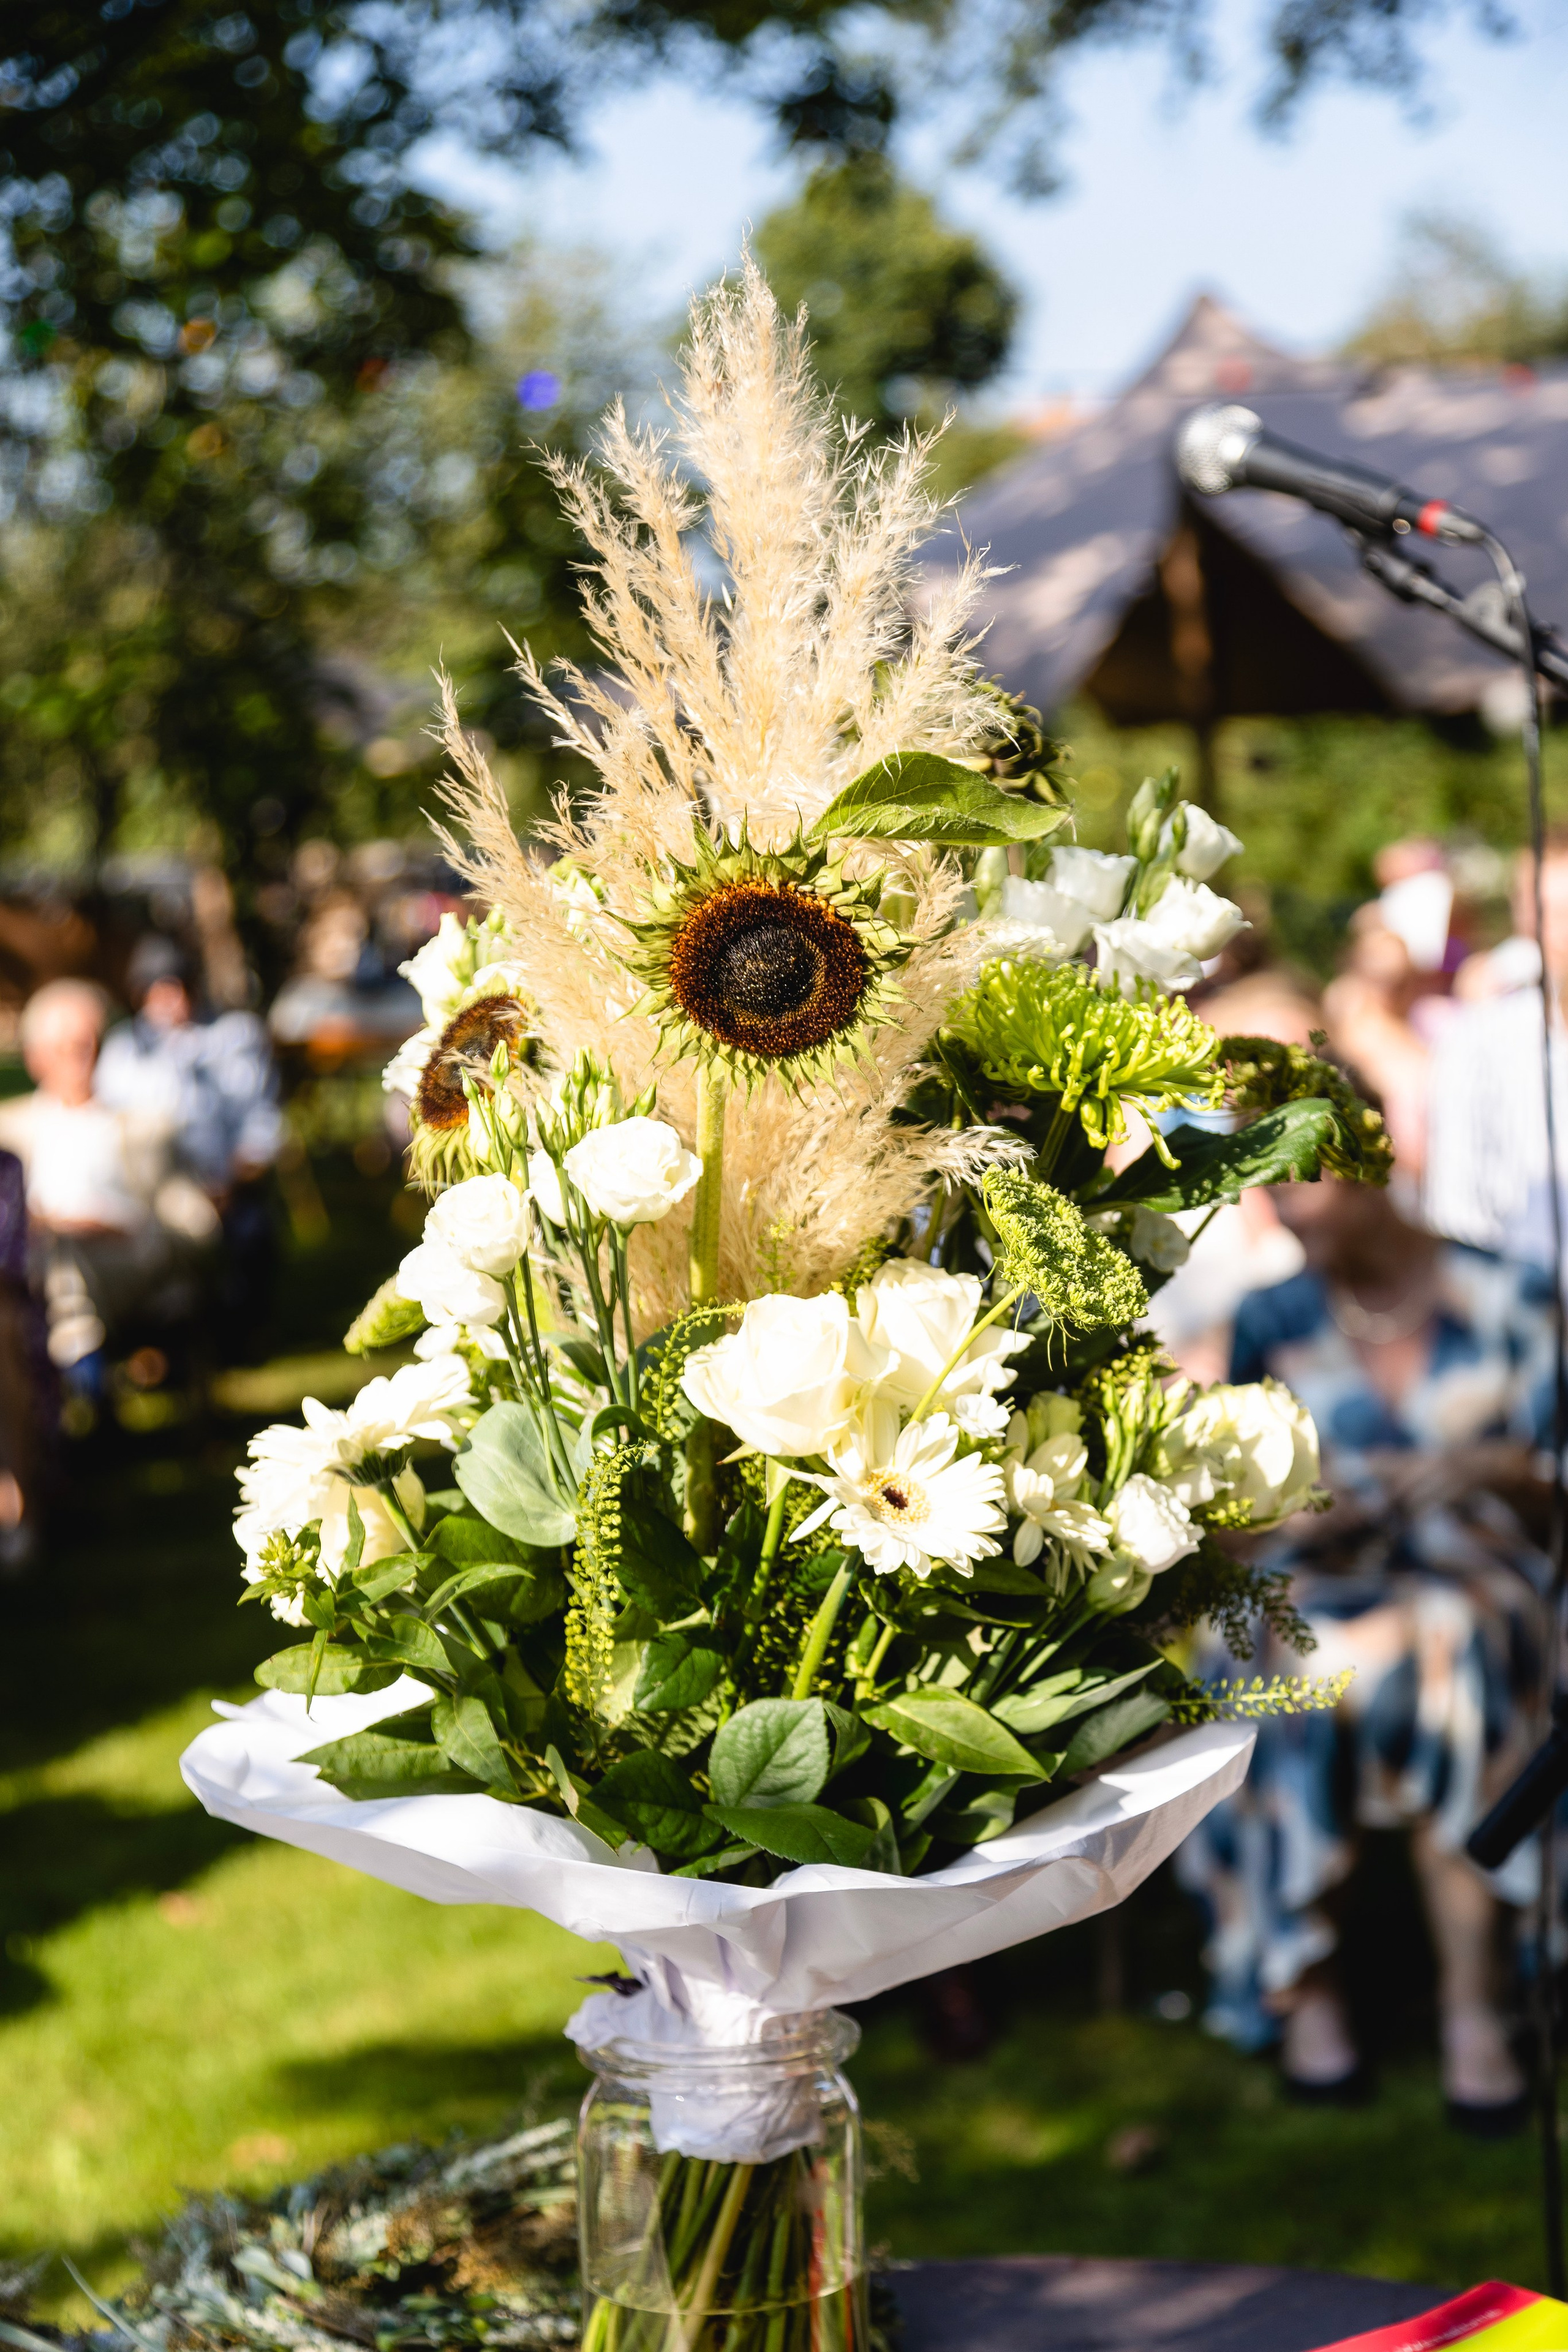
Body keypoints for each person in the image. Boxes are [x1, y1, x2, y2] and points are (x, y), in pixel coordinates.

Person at [1176, 1167, 1553, 2133]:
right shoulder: (1270, 1316)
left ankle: (1476, 2004)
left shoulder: (1514, 1293)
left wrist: (1496, 1469)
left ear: (1368, 1165)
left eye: (1297, 1183)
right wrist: (1298, 1506)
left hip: (1482, 1572)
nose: (1277, 1211)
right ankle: (1309, 1977)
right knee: (1297, 1655)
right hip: (1320, 1578)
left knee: (1457, 1644)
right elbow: (1234, 1515)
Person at [0, 979, 217, 1404]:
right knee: (60, 1260)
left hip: (129, 1254)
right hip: (41, 1260)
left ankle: (87, 1404)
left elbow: (194, 1221)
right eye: (64, 1049)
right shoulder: (10, 1128)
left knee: (63, 1263)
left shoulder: (144, 1127)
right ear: (35, 1059)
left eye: (89, 1045)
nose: (80, 1059)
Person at [96, 935, 282, 1343]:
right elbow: (109, 1127)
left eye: (179, 986)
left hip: (225, 1183)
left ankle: (239, 1334)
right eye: (160, 989)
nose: (173, 999)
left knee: (250, 1235)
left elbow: (260, 1122)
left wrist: (232, 1184)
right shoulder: (124, 1050)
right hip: (149, 1192)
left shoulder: (236, 1035)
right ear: (140, 994)